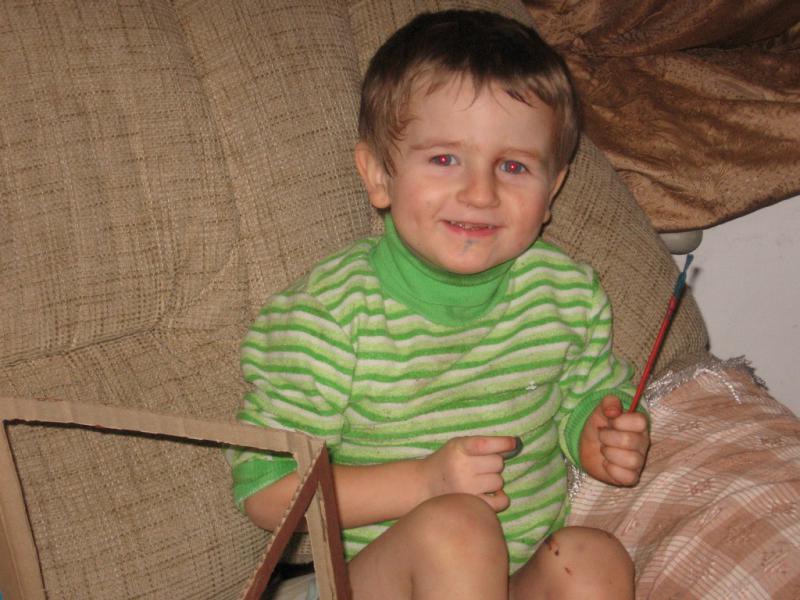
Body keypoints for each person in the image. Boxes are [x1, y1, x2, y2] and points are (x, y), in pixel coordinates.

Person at [227, 9, 650, 599]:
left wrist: (599, 435)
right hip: (364, 586)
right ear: (379, 175)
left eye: (513, 166)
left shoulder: (565, 292)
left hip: (504, 582)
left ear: (551, 190)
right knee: (458, 526)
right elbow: (267, 491)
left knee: (593, 558)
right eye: (445, 158)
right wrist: (426, 482)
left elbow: (589, 396)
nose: (480, 192)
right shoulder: (328, 317)